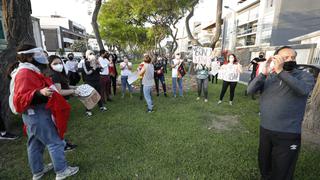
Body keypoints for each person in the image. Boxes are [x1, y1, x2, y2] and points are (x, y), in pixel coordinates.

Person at [8, 44, 79, 180]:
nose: (42, 57)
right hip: (36, 113)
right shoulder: (25, 73)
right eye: (37, 54)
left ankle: (38, 171)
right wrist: (39, 93)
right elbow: (21, 97)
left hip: (32, 114)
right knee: (55, 141)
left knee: (35, 143)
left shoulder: (28, 70)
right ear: (29, 57)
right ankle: (62, 170)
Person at [247, 46, 315, 180]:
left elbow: (303, 90)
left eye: (293, 57)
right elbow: (250, 91)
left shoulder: (304, 76)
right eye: (285, 57)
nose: (290, 59)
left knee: (282, 171)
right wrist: (263, 73)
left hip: (288, 133)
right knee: (265, 166)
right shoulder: (270, 77)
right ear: (276, 58)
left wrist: (280, 71)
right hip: (266, 130)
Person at [48, 55, 79, 152]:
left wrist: (75, 87)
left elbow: (65, 85)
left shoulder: (59, 73)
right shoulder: (54, 75)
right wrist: (73, 92)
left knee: (60, 125)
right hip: (58, 104)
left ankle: (63, 143)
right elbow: (59, 91)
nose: (59, 65)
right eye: (55, 63)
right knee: (58, 126)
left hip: (63, 102)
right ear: (50, 65)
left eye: (60, 63)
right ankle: (62, 145)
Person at [83, 51, 107, 116]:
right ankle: (88, 110)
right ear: (87, 55)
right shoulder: (85, 63)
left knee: (98, 94)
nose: (92, 55)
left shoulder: (96, 62)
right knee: (89, 95)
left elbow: (102, 70)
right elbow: (87, 72)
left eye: (93, 54)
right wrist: (94, 68)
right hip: (89, 81)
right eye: (90, 54)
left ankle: (101, 106)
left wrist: (99, 64)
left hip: (97, 80)